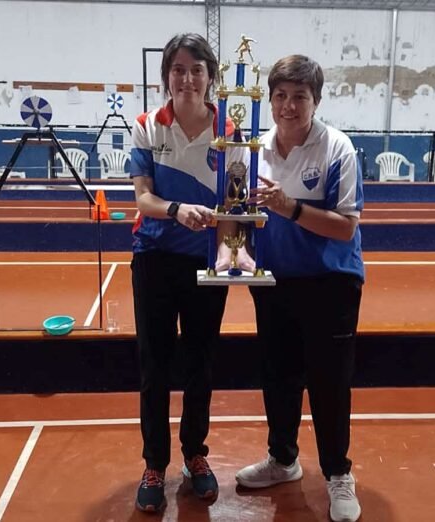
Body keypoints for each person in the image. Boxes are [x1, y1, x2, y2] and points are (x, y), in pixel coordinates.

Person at [236, 54, 364, 522]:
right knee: (278, 377)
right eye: (281, 96)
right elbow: (241, 216)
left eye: (300, 97)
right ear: (270, 100)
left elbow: (345, 227)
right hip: (274, 282)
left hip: (330, 282)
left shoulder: (337, 149)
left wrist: (289, 207)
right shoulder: (254, 150)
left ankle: (338, 473)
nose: (289, 106)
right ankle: (283, 459)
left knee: (329, 383)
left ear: (317, 101)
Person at [129, 32, 250, 513]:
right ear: (166, 77)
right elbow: (142, 198)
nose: (187, 78)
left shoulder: (231, 132)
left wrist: (229, 254)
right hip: (155, 258)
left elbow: (235, 205)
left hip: (205, 264)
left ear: (210, 77)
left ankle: (195, 455)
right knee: (155, 366)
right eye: (178, 69)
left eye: (196, 69)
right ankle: (154, 464)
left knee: (200, 363)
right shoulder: (147, 126)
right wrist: (177, 210)